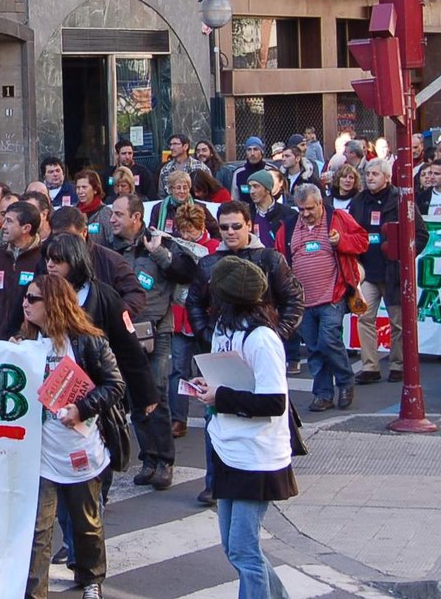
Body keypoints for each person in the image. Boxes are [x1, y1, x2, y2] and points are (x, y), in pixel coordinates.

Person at [186, 201, 304, 506]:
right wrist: (208, 335)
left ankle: (239, 475)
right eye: (224, 227)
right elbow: (195, 302)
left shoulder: (269, 259)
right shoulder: (209, 264)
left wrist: (275, 334)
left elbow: (293, 299)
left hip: (256, 347)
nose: (230, 232)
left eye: (236, 226)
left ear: (249, 225)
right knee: (216, 414)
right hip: (223, 347)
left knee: (253, 414)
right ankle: (215, 481)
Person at [194, 256, 297, 599]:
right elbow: (228, 380)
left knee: (243, 550)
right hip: (229, 449)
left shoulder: (262, 338)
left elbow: (274, 402)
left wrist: (220, 396)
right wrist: (208, 386)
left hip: (258, 457)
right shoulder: (224, 330)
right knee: (234, 547)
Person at [20, 274, 125, 599]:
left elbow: (115, 384)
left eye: (32, 298)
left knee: (86, 523)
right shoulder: (24, 343)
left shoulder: (87, 341)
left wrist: (81, 408)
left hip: (81, 449)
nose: (25, 303)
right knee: (38, 530)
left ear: (53, 303)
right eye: (25, 296)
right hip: (40, 454)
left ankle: (91, 578)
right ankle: (35, 593)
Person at [103, 193, 193, 487]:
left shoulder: (159, 241)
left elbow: (187, 272)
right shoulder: (109, 247)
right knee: (135, 396)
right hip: (124, 332)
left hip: (157, 330)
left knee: (156, 392)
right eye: (112, 214)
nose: (112, 219)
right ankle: (149, 458)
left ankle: (165, 460)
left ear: (136, 217)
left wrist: (160, 254)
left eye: (118, 214)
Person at [286, 184, 366, 412]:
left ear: (320, 203)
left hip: (333, 295)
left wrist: (341, 241)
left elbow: (362, 241)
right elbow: (282, 255)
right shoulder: (290, 225)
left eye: (309, 208)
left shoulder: (338, 218)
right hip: (304, 300)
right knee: (313, 348)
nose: (305, 214)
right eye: (301, 209)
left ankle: (345, 382)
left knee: (328, 340)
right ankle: (323, 394)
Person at [166, 204, 218, 437]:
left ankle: (212, 414)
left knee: (208, 369)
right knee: (178, 369)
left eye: (190, 231)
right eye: (183, 231)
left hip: (204, 318)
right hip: (180, 316)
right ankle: (178, 419)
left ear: (201, 227)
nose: (186, 236)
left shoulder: (214, 247)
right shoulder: (176, 246)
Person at [352, 160, 401, 384]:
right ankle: (370, 366)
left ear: (387, 177)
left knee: (398, 322)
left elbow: (420, 235)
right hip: (367, 271)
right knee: (364, 318)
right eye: (368, 173)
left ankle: (398, 365)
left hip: (393, 271)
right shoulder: (359, 201)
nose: (370, 177)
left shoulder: (400, 199)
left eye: (375, 174)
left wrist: (403, 257)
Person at [0, 201, 45, 340]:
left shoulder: (43, 259)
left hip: (29, 343)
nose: (3, 226)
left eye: (9, 221)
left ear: (26, 228)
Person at [231, 138, 270, 203]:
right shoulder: (239, 173)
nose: (252, 153)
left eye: (255, 149)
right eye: (249, 150)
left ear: (262, 151)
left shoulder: (270, 170)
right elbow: (235, 199)